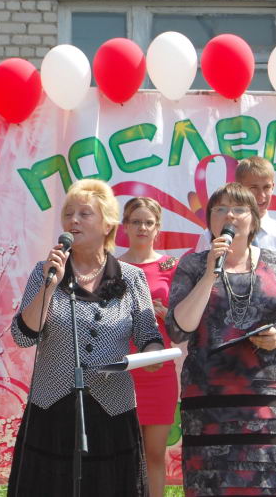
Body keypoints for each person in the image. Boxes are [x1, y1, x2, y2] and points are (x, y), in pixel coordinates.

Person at [8, 179, 165, 497]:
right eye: (68, 214)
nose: (73, 221)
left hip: (112, 412)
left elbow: (148, 335)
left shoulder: (131, 277)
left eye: (84, 214)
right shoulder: (45, 271)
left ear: (108, 224)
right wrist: (51, 285)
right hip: (51, 410)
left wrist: (152, 355)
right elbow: (23, 337)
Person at [166, 182, 276, 496]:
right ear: (210, 221)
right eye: (220, 209)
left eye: (238, 209)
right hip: (208, 405)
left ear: (254, 219)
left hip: (265, 405)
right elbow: (179, 329)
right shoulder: (193, 265)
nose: (229, 215)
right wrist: (210, 273)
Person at [118, 196, 179, 497]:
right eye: (136, 221)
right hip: (121, 371)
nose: (142, 227)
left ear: (157, 228)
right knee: (122, 455)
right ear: (125, 226)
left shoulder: (172, 266)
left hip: (159, 371)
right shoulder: (111, 266)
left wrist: (166, 314)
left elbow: (185, 322)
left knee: (154, 454)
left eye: (148, 222)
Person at [196, 156, 276, 302]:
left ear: (273, 187)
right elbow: (196, 282)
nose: (261, 195)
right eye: (253, 188)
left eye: (266, 187)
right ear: (239, 188)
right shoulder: (211, 236)